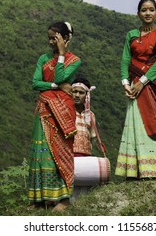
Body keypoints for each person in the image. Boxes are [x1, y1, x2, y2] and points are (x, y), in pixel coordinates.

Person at [115, 0, 156, 179]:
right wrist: (126, 83)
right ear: (138, 13)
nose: (147, 13)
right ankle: (133, 172)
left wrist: (142, 81)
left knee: (150, 121)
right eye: (143, 10)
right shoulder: (131, 34)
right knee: (134, 123)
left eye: (151, 10)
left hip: (149, 85)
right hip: (133, 86)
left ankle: (152, 172)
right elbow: (126, 59)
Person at [28, 21, 81, 212]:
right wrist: (54, 87)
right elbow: (35, 83)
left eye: (55, 38)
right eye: (50, 38)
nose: (51, 41)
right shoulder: (43, 59)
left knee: (61, 151)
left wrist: (60, 55)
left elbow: (59, 77)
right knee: (40, 152)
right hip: (43, 109)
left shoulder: (74, 60)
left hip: (62, 111)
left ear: (65, 39)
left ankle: (64, 198)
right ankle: (39, 199)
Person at [71, 77, 99, 199]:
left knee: (82, 196)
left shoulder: (91, 116)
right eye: (74, 91)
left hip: (85, 159)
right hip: (68, 157)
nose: (77, 95)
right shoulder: (65, 111)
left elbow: (92, 137)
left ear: (86, 96)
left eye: (81, 92)